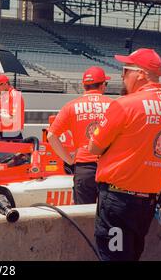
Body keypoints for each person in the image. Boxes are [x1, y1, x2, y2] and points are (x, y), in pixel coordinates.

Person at [88, 48, 161, 261]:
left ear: (140, 73)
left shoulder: (125, 104)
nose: (122, 77)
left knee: (114, 258)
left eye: (125, 71)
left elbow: (94, 147)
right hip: (148, 204)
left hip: (118, 202)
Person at [47, 66, 113, 204]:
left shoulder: (71, 106)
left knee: (83, 216)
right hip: (108, 167)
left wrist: (69, 160)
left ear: (84, 85)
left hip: (83, 167)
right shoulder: (114, 105)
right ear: (102, 85)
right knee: (107, 216)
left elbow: (51, 136)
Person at [0, 74, 25, 140]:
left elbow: (14, 119)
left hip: (13, 136)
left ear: (5, 84)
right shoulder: (3, 97)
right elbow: (2, 118)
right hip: (2, 134)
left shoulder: (15, 95)